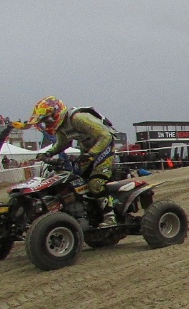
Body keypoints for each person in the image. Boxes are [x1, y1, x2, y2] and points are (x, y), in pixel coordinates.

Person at [25, 96, 119, 227]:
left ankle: (110, 217)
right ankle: (88, 214)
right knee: (78, 183)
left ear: (56, 112)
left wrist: (91, 153)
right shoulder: (62, 126)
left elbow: (106, 136)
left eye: (47, 120)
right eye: (44, 121)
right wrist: (49, 153)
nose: (46, 124)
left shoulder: (78, 118)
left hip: (105, 146)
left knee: (96, 183)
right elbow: (63, 143)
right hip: (88, 151)